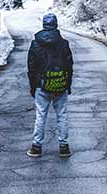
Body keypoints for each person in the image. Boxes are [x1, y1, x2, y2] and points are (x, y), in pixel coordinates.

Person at [27, 13, 73, 158]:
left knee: (40, 116)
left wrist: (33, 87)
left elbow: (31, 67)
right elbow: (69, 66)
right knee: (62, 115)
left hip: (42, 85)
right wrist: (68, 84)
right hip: (60, 84)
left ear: (44, 25)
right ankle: (64, 147)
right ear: (56, 25)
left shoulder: (35, 43)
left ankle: (36, 147)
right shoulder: (64, 43)